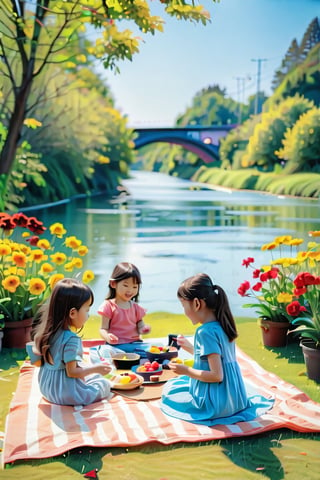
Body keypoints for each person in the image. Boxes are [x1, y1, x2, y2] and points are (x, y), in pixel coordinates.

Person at [161, 273, 274, 426]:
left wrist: (186, 370)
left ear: (196, 304)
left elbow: (216, 375)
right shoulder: (223, 324)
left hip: (216, 405)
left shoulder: (204, 332)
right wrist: (190, 348)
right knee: (180, 384)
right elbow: (215, 361)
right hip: (236, 399)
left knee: (171, 392)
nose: (184, 311)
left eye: (183, 305)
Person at [32, 278, 113, 406]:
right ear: (73, 313)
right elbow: (72, 372)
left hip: (47, 389)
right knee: (103, 384)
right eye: (86, 310)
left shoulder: (45, 332)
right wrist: (96, 369)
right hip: (67, 394)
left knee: (90, 375)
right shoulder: (71, 339)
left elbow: (35, 361)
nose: (88, 315)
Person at [98, 262, 151, 355]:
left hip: (135, 345)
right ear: (113, 284)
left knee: (153, 350)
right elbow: (103, 329)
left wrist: (143, 328)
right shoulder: (109, 305)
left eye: (135, 287)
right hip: (115, 346)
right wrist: (107, 337)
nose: (130, 290)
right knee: (105, 352)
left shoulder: (135, 307)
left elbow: (140, 323)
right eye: (126, 285)